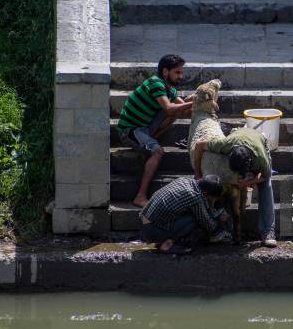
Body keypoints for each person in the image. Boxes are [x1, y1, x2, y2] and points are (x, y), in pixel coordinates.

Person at [117, 54, 194, 208]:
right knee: (158, 152)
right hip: (130, 131)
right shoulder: (155, 83)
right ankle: (140, 196)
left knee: (174, 113)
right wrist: (194, 102)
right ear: (166, 72)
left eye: (181, 72)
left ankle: (150, 141)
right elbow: (169, 108)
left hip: (146, 128)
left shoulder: (169, 89)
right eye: (177, 72)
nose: (181, 76)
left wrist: (201, 102)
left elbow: (183, 109)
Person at [193, 128, 277, 248]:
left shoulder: (260, 157)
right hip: (238, 136)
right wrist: (197, 173)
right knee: (228, 182)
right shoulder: (226, 144)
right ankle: (229, 229)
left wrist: (252, 181)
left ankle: (268, 231)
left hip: (259, 140)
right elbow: (199, 145)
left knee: (266, 184)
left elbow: (265, 175)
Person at [139, 175, 229, 254]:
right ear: (206, 193)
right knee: (195, 219)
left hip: (144, 221)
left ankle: (164, 239)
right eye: (213, 197)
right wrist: (220, 220)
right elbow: (208, 225)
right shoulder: (195, 197)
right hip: (152, 231)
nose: (214, 200)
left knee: (192, 213)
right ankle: (167, 244)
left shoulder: (185, 180)